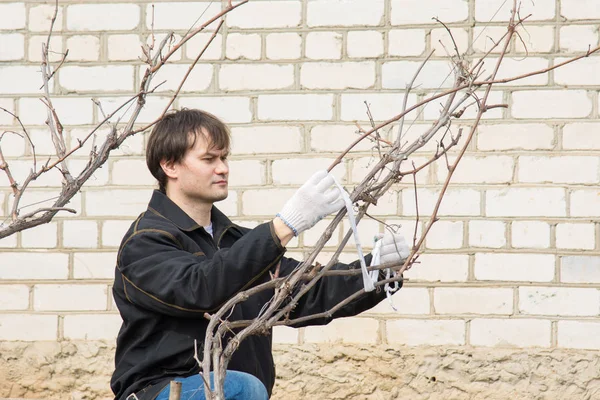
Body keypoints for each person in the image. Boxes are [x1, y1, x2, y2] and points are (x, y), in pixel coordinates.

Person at [110, 109, 409, 400]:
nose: (223, 168)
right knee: (242, 388)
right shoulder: (145, 242)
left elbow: (304, 292)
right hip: (160, 391)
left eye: (224, 157)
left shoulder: (235, 241)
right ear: (170, 166)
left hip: (233, 390)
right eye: (209, 159)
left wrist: (377, 272)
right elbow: (199, 289)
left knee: (243, 387)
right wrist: (284, 226)